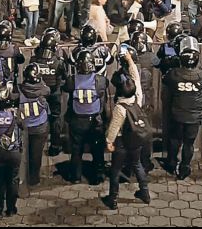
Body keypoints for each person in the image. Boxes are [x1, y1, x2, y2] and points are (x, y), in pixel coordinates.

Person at [103, 70, 151, 209]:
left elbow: (114, 128)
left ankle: (112, 198)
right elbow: (136, 80)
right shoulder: (137, 99)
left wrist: (109, 142)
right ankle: (145, 193)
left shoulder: (120, 108)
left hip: (121, 143)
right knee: (137, 165)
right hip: (136, 140)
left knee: (116, 170)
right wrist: (131, 63)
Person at [163, 36, 202, 180]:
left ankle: (171, 164)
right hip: (194, 116)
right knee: (188, 143)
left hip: (177, 113)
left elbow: (166, 81)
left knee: (175, 140)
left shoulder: (174, 74)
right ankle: (184, 168)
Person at [62, 50, 110, 184]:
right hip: (94, 120)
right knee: (97, 149)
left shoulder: (72, 80)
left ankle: (76, 176)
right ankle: (97, 176)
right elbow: (103, 89)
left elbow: (66, 87)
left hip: (77, 120)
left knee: (77, 149)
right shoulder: (100, 80)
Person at [0, 83, 23, 218]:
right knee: (13, 180)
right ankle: (11, 208)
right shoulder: (16, 113)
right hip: (14, 152)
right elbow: (23, 125)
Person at [18, 64, 50, 186]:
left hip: (24, 126)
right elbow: (47, 90)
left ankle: (22, 178)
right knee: (36, 155)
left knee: (23, 154)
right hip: (40, 126)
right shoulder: (44, 90)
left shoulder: (19, 89)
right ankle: (34, 178)